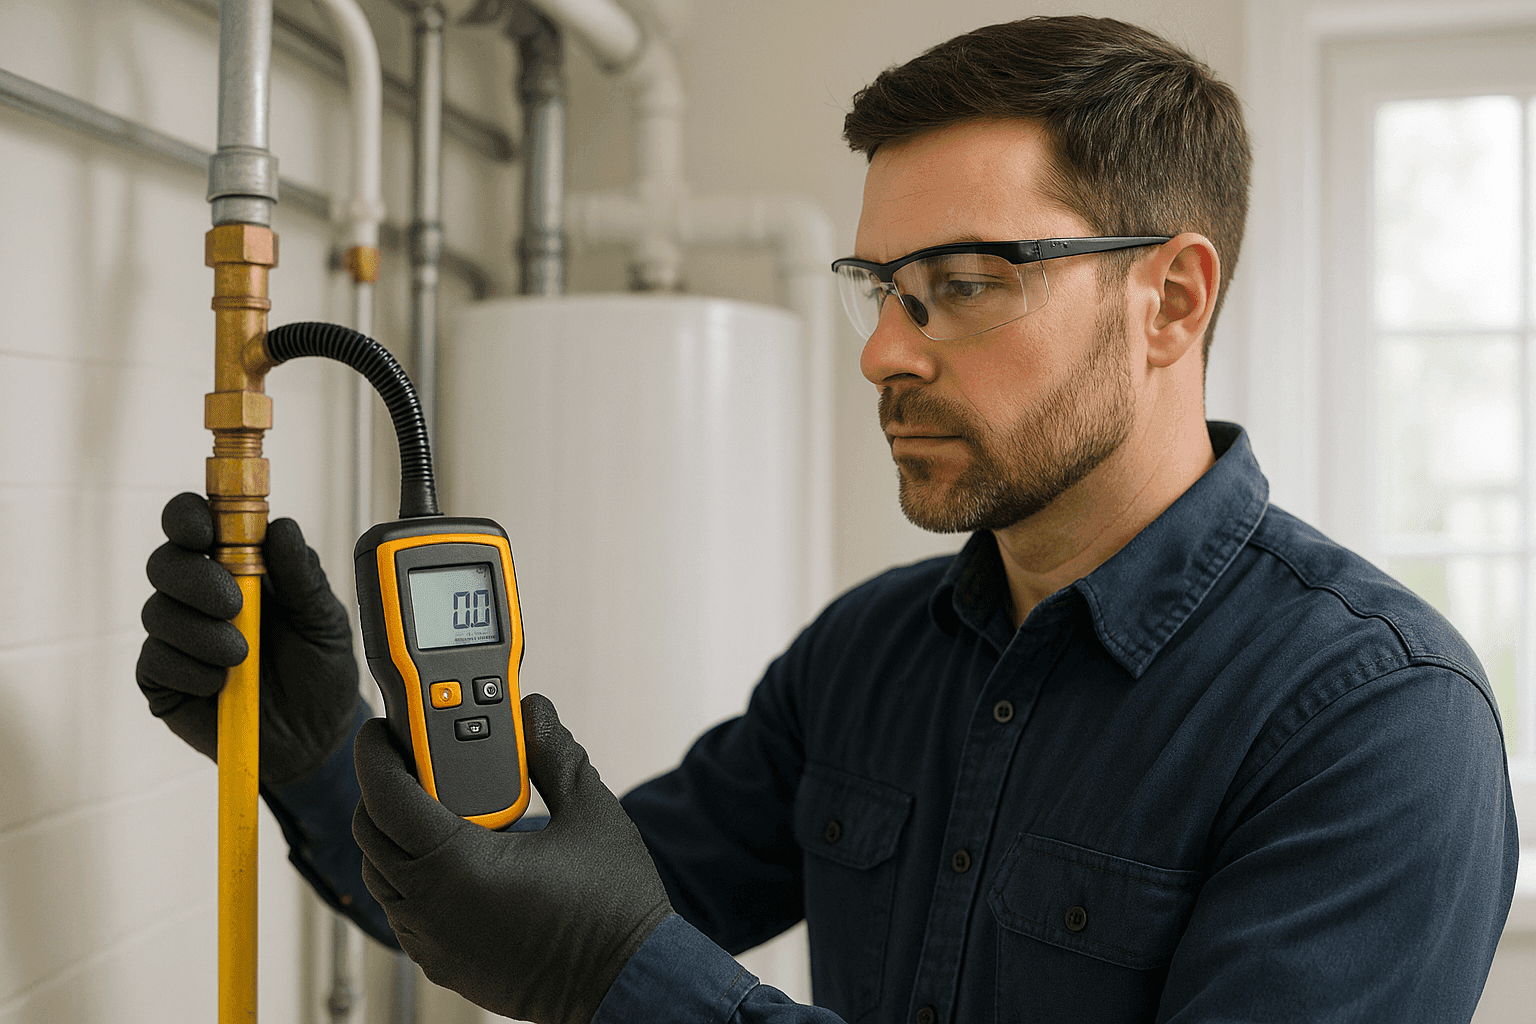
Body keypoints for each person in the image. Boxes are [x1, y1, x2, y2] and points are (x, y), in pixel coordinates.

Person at [137, 15, 1519, 1024]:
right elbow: (519, 909)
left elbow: (604, 953)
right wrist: (312, 752)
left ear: (1170, 300)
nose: (881, 353)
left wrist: (629, 984)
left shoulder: (1378, 729)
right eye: (881, 285)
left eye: (965, 284)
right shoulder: (863, 660)